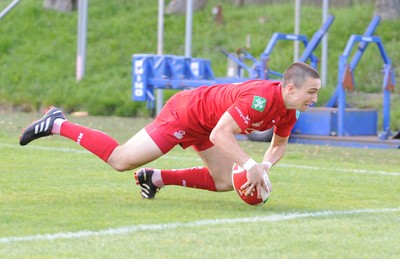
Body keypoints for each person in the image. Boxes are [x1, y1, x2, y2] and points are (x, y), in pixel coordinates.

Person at [19, 62, 321, 200]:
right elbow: (220, 135)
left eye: (317, 92)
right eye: (311, 92)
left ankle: (156, 177)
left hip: (206, 122)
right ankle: (57, 123)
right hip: (185, 114)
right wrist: (250, 165)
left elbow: (279, 145)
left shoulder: (289, 109)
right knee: (120, 160)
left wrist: (264, 166)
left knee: (224, 181)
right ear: (290, 87)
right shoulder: (260, 99)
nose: (315, 99)